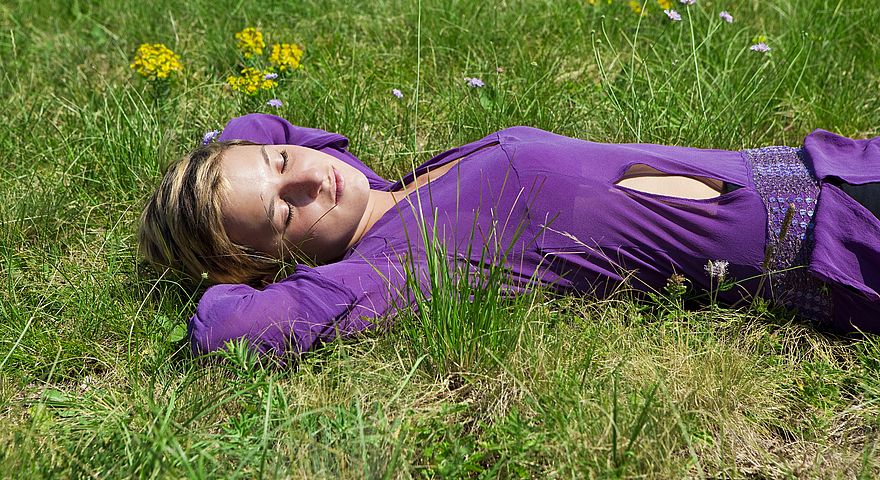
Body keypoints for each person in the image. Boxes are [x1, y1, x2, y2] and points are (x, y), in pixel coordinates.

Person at [138, 113, 880, 357]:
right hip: (836, 241)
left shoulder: (381, 190)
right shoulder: (396, 266)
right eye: (280, 214)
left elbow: (258, 129)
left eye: (279, 163)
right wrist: (218, 272)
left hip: (830, 166)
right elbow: (233, 331)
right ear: (268, 262)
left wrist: (223, 174)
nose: (307, 178)